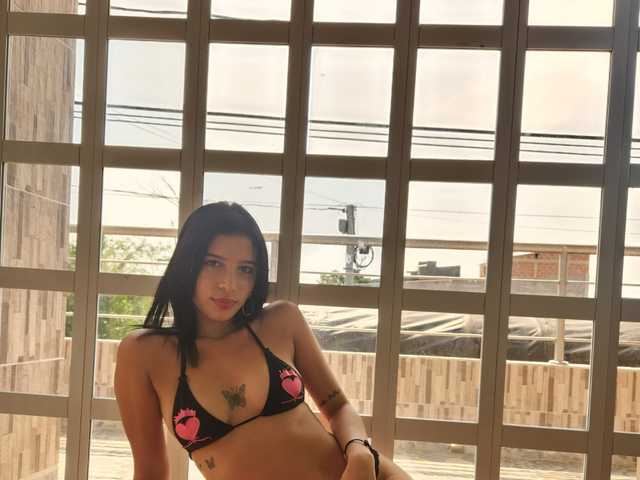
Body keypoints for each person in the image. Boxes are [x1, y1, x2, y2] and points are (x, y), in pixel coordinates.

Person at [114, 201, 414, 480]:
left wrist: (359, 452)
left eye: (245, 269)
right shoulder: (144, 354)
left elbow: (337, 408)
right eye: (213, 263)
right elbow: (151, 472)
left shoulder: (281, 321)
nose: (229, 284)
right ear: (187, 264)